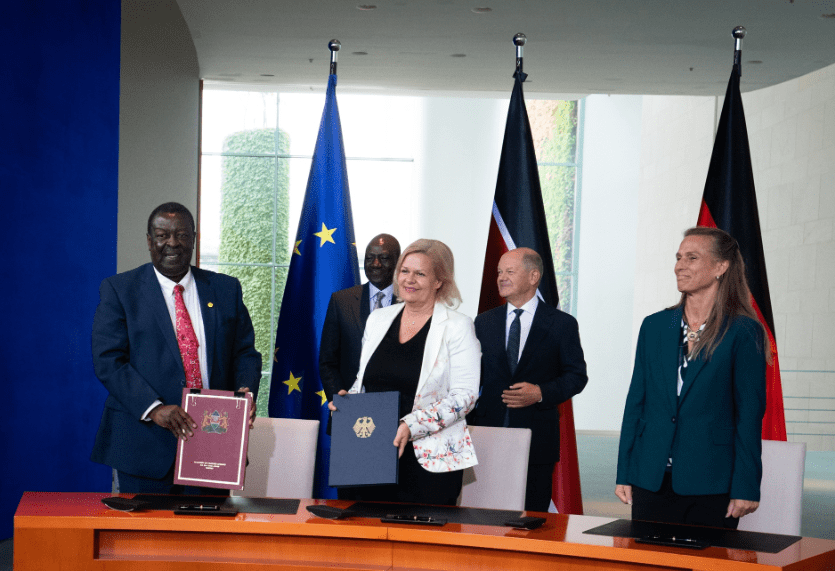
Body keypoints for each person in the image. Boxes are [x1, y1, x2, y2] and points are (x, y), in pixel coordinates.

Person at [91, 202, 262, 494]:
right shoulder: (120, 290)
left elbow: (244, 352)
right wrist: (154, 408)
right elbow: (109, 360)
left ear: (194, 239)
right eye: (162, 235)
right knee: (146, 539)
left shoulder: (225, 289)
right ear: (149, 240)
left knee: (207, 537)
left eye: (182, 235)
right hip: (144, 445)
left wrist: (245, 391)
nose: (172, 243)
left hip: (213, 444)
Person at [615, 227, 767, 528]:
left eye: (692, 258)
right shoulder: (655, 326)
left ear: (720, 267)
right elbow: (636, 403)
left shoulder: (743, 332)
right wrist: (625, 471)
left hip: (711, 481)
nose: (679, 265)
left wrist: (746, 485)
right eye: (678, 257)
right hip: (650, 477)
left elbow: (749, 415)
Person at [329, 239, 480, 505]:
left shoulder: (458, 326)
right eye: (404, 271)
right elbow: (363, 381)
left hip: (428, 463)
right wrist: (347, 401)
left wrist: (411, 425)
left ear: (439, 281)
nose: (409, 279)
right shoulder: (378, 319)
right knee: (362, 538)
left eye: (420, 273)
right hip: (370, 452)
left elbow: (465, 397)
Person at [468, 247, 588, 512]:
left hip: (536, 439)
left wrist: (541, 392)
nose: (501, 277)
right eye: (499, 272)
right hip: (487, 436)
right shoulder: (483, 322)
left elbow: (577, 376)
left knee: (531, 519)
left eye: (509, 271)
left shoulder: (562, 324)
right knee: (482, 516)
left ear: (534, 276)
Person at [319, 234, 401, 401]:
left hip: (396, 408)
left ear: (398, 262)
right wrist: (340, 399)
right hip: (349, 404)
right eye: (370, 258)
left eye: (383, 258)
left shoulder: (409, 303)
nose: (375, 264)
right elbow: (328, 360)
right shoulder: (341, 301)